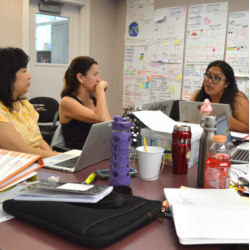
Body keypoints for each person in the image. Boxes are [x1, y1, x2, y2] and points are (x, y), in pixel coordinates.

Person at [0, 47, 59, 158]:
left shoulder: (26, 106)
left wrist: (55, 159)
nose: (29, 76)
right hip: (20, 168)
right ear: (7, 76)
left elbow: (39, 141)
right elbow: (23, 152)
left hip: (39, 164)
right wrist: (58, 156)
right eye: (24, 71)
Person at [59, 56, 111, 149]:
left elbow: (108, 126)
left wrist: (99, 96)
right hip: (78, 158)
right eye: (95, 74)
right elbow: (101, 119)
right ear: (80, 77)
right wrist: (100, 90)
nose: (99, 79)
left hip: (97, 153)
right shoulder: (67, 102)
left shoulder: (94, 100)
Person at [190, 60, 249, 133]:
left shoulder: (238, 98)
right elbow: (187, 119)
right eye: (208, 76)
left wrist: (220, 119)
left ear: (227, 83)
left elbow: (247, 128)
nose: (210, 81)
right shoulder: (197, 95)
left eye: (217, 78)